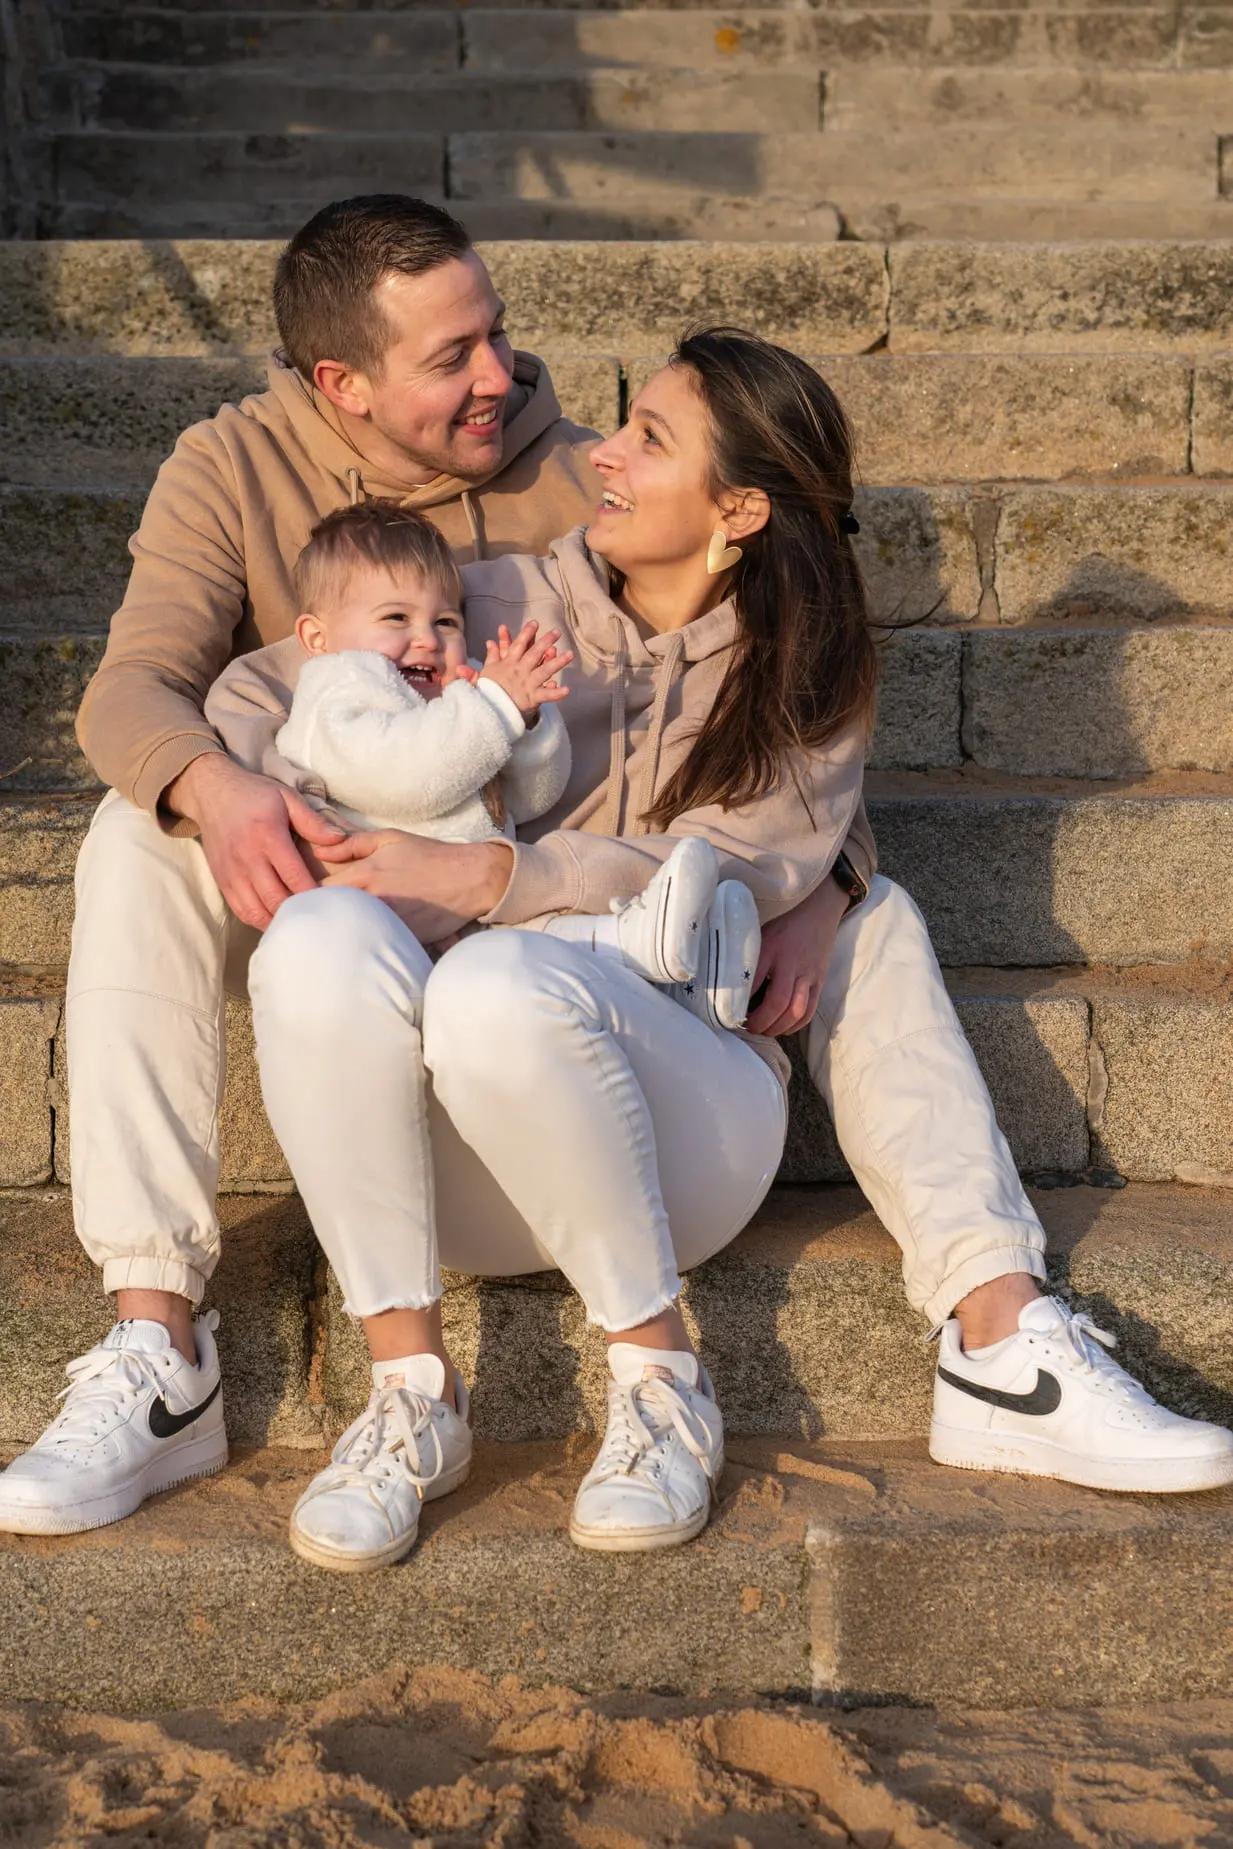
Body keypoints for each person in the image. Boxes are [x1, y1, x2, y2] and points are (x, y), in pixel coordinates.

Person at [0, 201, 1226, 1549]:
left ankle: (1001, 1334)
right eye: (456, 354)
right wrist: (239, 785)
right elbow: (152, 697)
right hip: (419, 978)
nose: (510, 385)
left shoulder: (602, 492)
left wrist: (813, 883)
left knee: (868, 914)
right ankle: (162, 1339)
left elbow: (794, 788)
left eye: (502, 336)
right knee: (143, 831)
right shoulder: (357, 523)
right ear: (343, 383)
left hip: (613, 1005)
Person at [206, 500, 760, 1023]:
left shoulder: (457, 694)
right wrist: (495, 707)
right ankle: (648, 953)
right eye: (396, 618)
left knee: (543, 943)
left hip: (470, 906)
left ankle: (689, 972)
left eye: (445, 621)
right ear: (317, 637)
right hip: (380, 918)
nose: (426, 640)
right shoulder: (337, 691)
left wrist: (529, 726)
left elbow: (530, 796)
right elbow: (405, 778)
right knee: (540, 948)